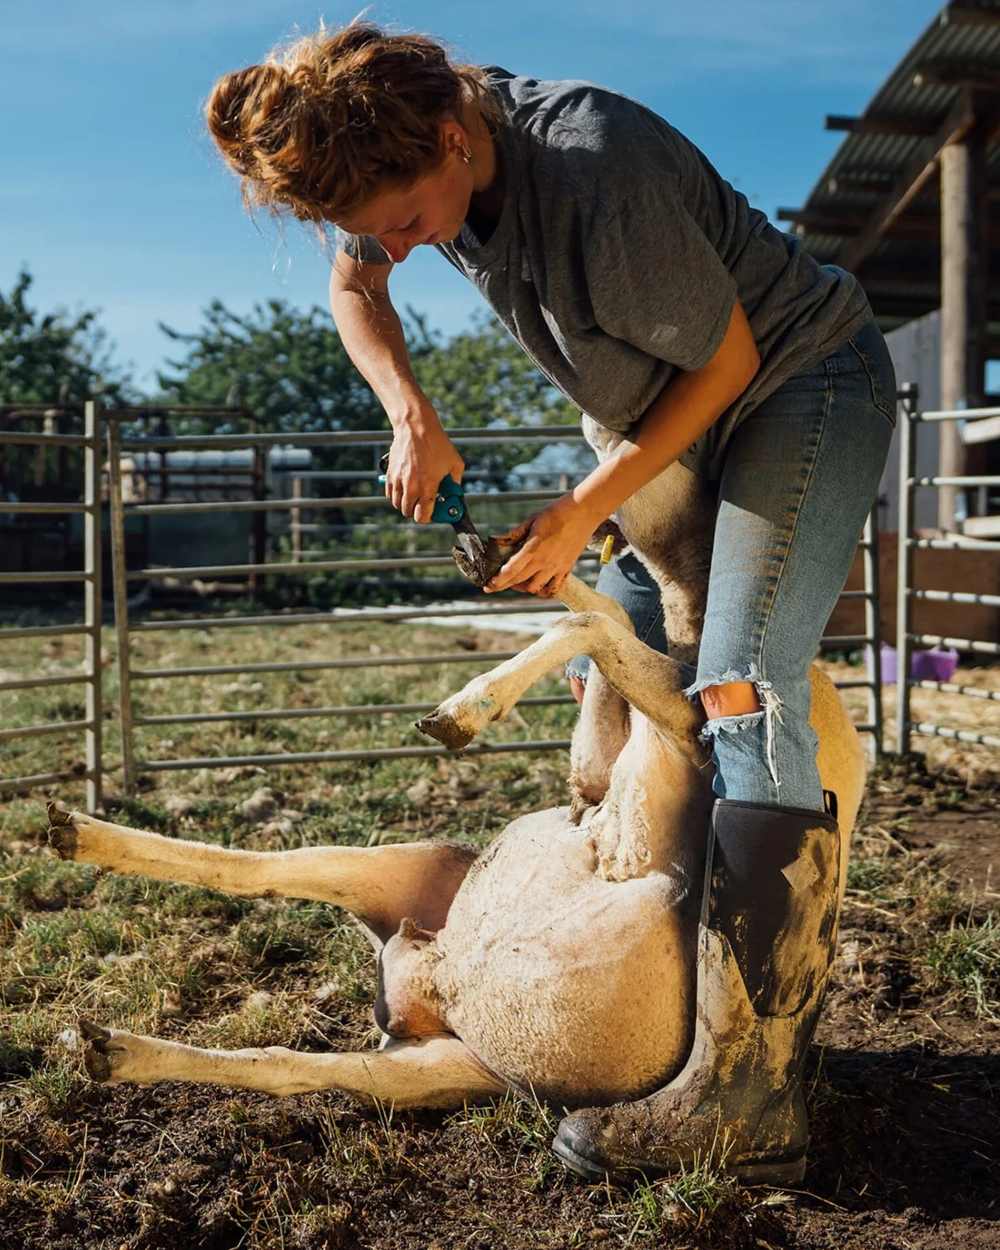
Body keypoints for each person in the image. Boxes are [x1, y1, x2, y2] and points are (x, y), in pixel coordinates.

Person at [205, 22, 896, 1183]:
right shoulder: (397, 171)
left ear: (453, 135)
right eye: (373, 232)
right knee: (609, 672)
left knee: (738, 679)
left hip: (793, 383)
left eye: (407, 222)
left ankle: (753, 1082)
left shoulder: (593, 167)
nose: (396, 250)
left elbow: (724, 365)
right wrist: (408, 409)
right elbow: (353, 283)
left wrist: (580, 509)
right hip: (648, 416)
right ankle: (657, 983)